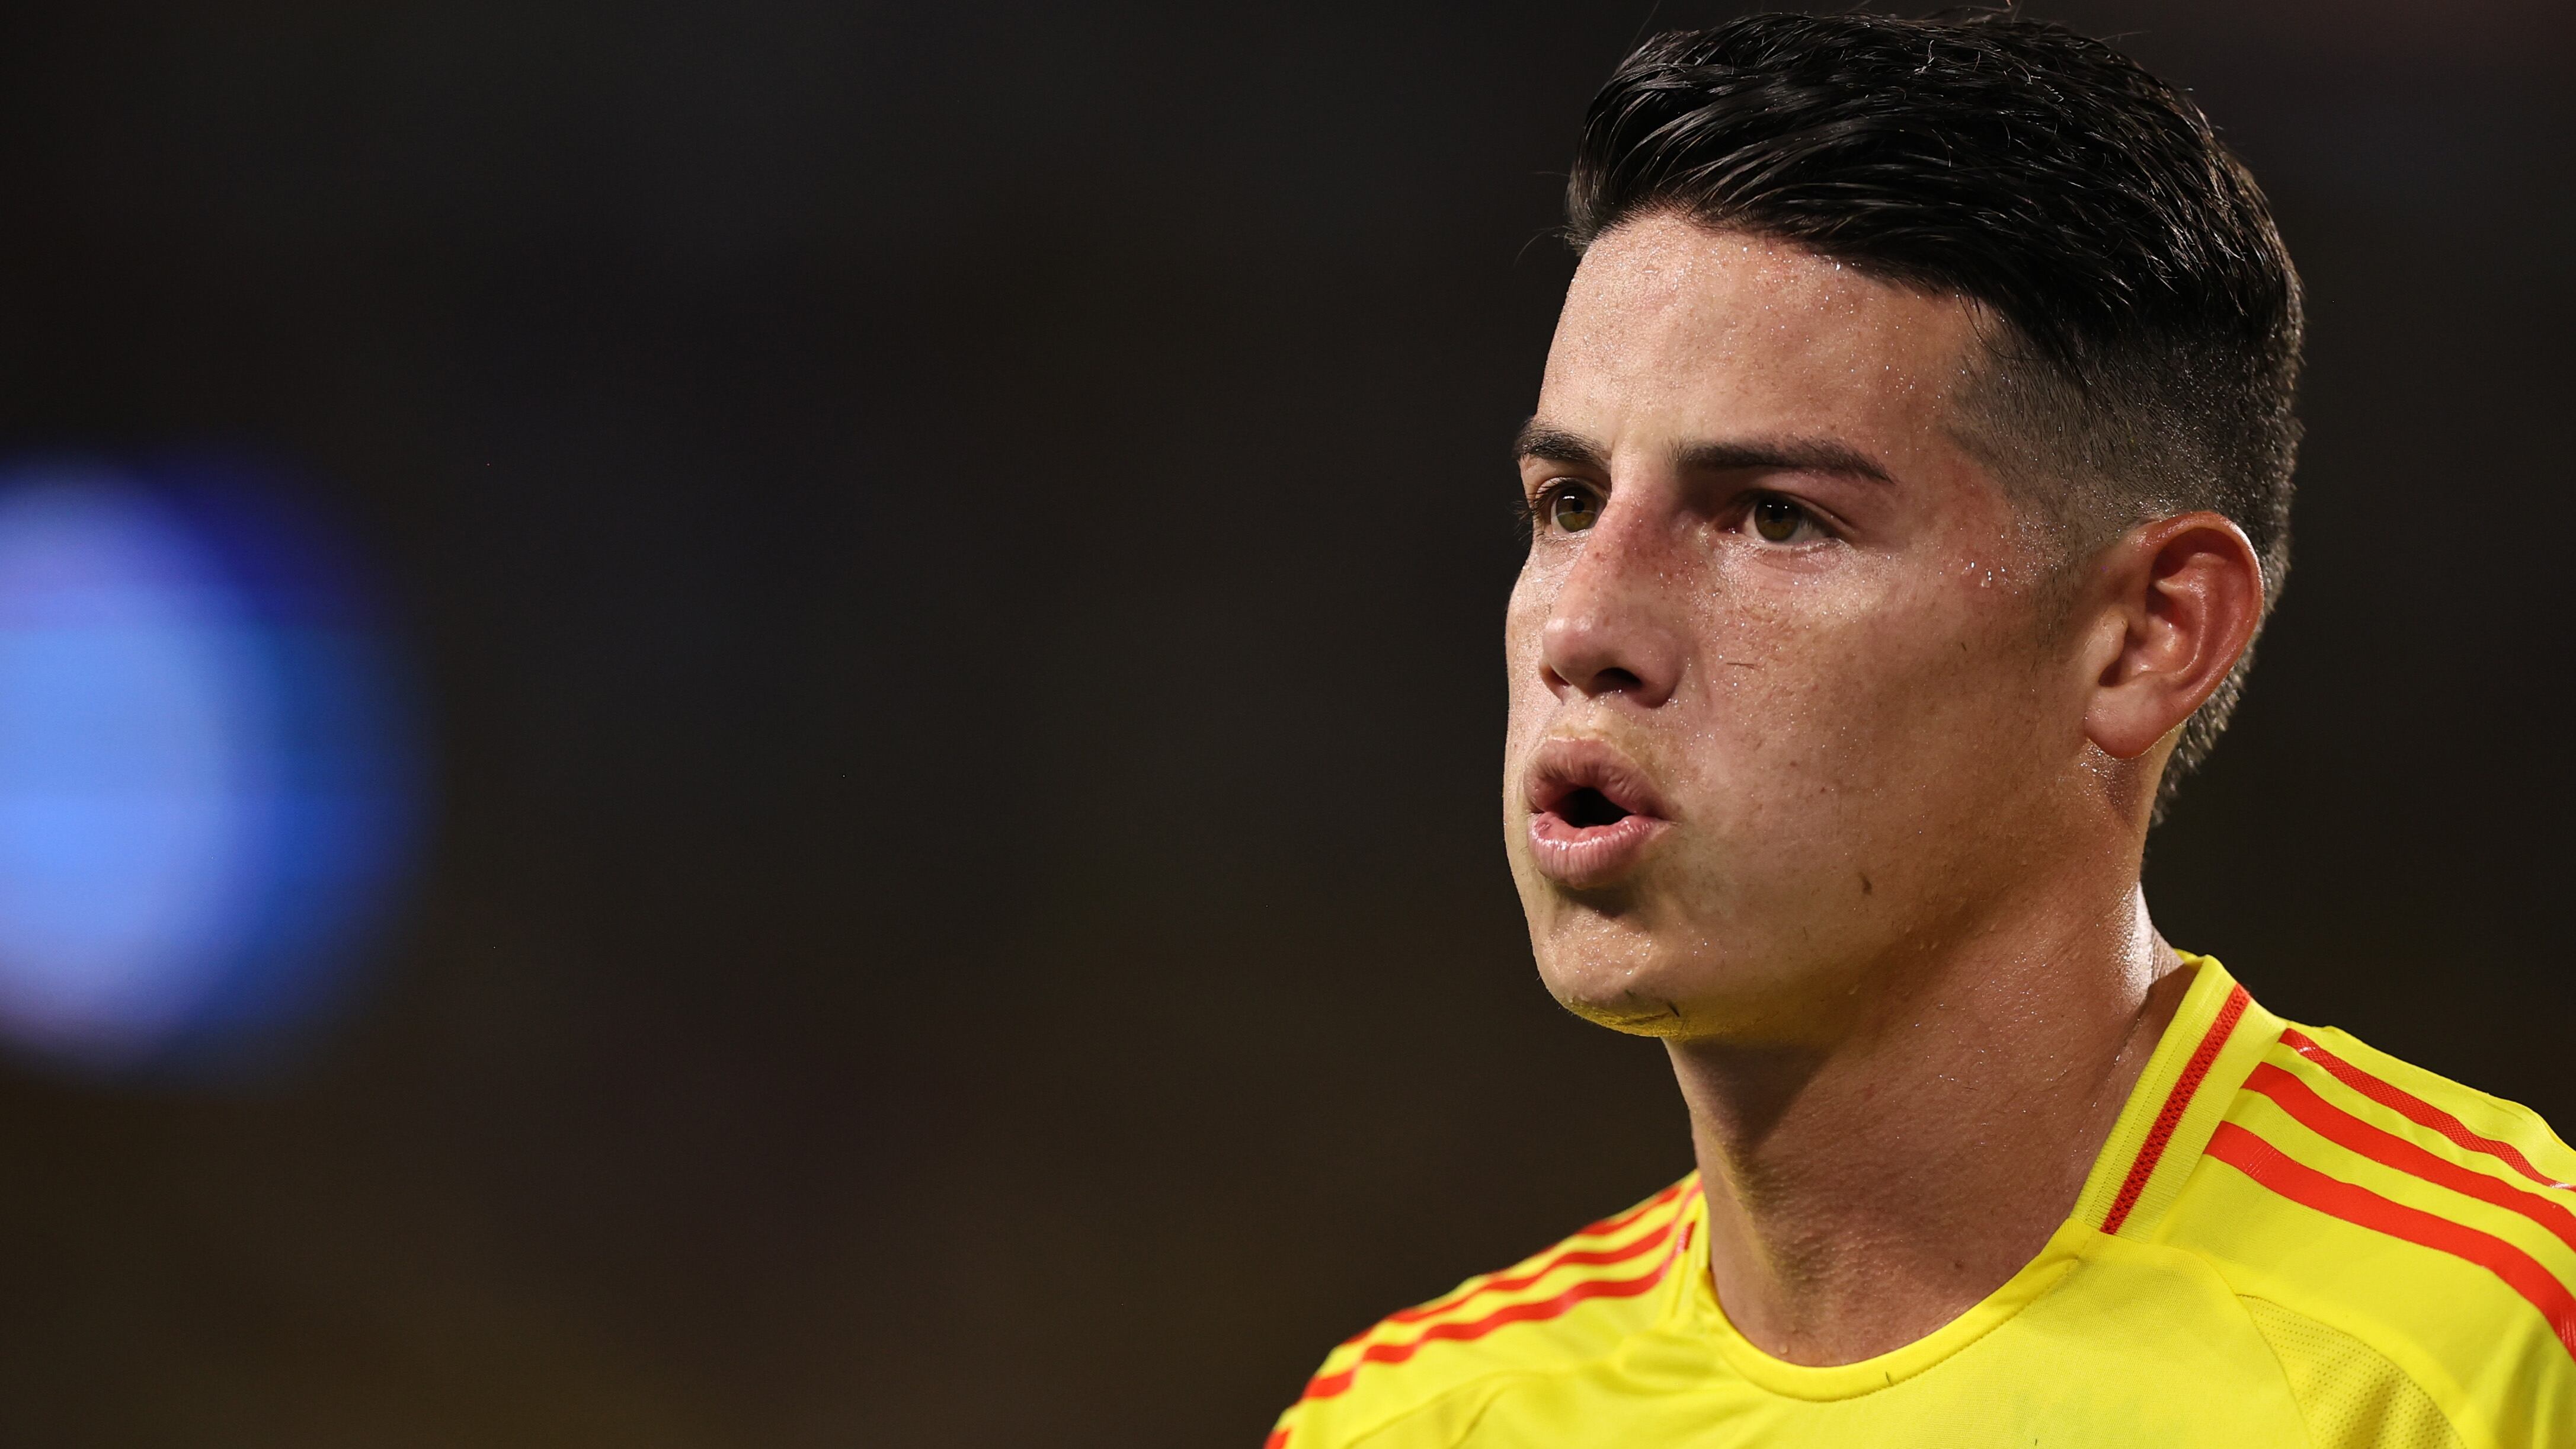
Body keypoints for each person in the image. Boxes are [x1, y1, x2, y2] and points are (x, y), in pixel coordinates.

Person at [1267, 13, 2575, 1448]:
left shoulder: (2488, 1346)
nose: (1582, 628)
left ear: (2144, 634)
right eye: (1565, 503)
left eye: (1776, 517)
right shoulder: (1403, 1416)